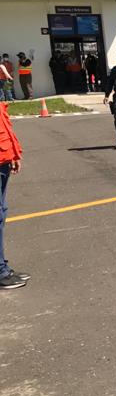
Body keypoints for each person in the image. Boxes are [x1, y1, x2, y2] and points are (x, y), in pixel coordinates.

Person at [0, 98, 28, 290]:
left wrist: (14, 153)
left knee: (1, 213)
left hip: (3, 159)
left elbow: (4, 126)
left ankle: (2, 266)